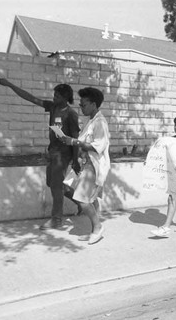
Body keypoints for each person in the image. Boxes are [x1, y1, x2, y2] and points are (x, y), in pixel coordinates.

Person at [0, 76, 81, 230]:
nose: (54, 97)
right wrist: (9, 84)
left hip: (64, 155)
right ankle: (82, 202)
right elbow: (31, 98)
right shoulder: (53, 107)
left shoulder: (71, 114)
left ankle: (56, 219)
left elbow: (76, 138)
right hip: (53, 151)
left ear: (66, 98)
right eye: (54, 95)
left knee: (56, 186)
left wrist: (75, 161)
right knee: (53, 184)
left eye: (57, 96)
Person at [61, 87, 110, 244]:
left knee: (82, 198)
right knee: (69, 189)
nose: (80, 107)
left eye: (83, 104)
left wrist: (74, 141)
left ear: (93, 104)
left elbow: (98, 146)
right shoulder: (91, 121)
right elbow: (83, 144)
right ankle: (93, 221)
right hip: (84, 163)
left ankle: (97, 227)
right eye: (80, 104)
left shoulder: (100, 123)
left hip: (93, 165)